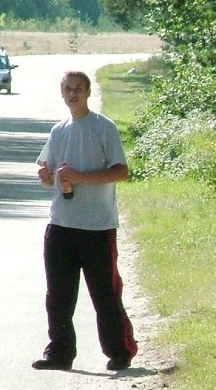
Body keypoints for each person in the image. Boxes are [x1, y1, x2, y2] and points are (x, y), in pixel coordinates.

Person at [32, 70, 137, 372]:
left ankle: (120, 351)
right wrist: (46, 176)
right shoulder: (58, 130)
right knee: (58, 296)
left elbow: (121, 171)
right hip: (61, 224)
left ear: (88, 92)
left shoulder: (103, 127)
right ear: (61, 93)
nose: (73, 94)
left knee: (105, 293)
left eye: (78, 88)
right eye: (68, 89)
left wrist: (83, 178)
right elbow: (49, 175)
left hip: (97, 226)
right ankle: (60, 353)